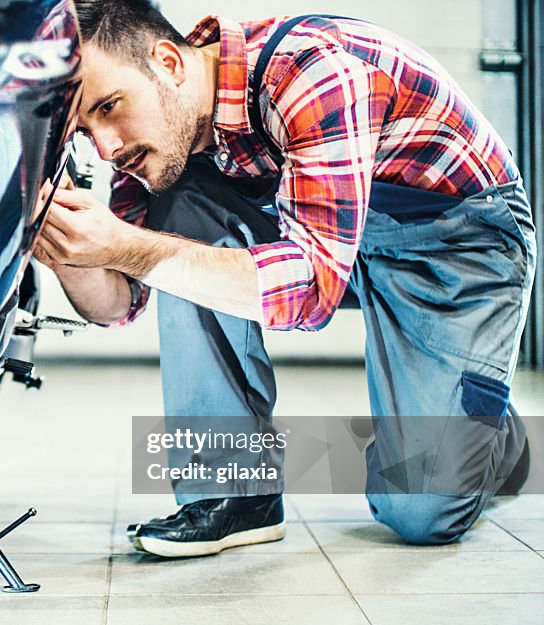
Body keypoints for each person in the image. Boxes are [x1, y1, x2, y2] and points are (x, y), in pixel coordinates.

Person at [34, 0, 535, 557]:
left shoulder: (311, 73)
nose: (107, 148)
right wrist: (64, 250)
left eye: (109, 106)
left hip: (451, 237)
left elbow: (312, 292)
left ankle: (493, 440)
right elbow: (119, 303)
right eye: (86, 129)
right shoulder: (159, 142)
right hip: (334, 230)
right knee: (178, 204)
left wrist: (131, 247)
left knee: (419, 509)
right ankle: (235, 493)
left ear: (169, 62)